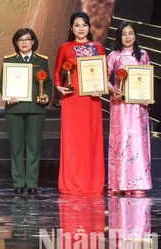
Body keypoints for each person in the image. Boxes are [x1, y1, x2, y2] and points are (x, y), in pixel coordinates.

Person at [54, 10, 106, 194]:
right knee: (73, 141)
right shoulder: (65, 47)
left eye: (84, 25)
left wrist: (101, 88)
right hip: (72, 99)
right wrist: (59, 87)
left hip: (91, 100)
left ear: (89, 27)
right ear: (71, 28)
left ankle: (92, 183)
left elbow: (104, 73)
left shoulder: (97, 47)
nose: (81, 28)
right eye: (77, 25)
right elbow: (57, 72)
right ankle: (72, 183)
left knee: (90, 140)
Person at [0, 28, 50, 194]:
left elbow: (47, 84)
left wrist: (47, 96)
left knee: (34, 147)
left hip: (36, 109)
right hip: (14, 108)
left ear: (33, 41)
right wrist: (8, 95)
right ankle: (19, 183)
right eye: (21, 40)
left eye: (28, 39)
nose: (24, 42)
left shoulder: (41, 61)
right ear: (16, 43)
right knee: (17, 147)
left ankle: (32, 184)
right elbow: (2, 84)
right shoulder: (9, 61)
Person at [106, 21, 152, 196]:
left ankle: (139, 181)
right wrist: (112, 89)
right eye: (124, 34)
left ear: (135, 35)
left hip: (138, 107)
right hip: (120, 106)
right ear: (119, 37)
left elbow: (146, 79)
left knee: (138, 142)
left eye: (130, 33)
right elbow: (105, 78)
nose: (127, 37)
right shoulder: (114, 56)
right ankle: (119, 183)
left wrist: (147, 96)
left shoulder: (143, 55)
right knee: (121, 142)